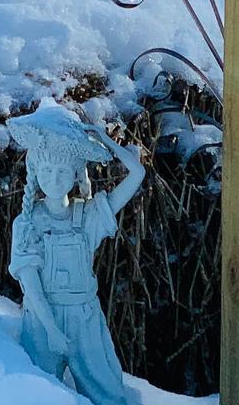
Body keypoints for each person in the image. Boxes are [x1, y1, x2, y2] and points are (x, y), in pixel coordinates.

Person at [7, 102, 146, 405]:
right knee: (36, 395)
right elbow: (30, 283)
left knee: (109, 395)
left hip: (85, 319)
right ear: (35, 172)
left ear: (75, 176)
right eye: (46, 170)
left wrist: (105, 140)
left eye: (62, 171)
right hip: (42, 322)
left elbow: (137, 173)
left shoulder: (90, 216)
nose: (54, 179)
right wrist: (52, 330)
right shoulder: (28, 223)